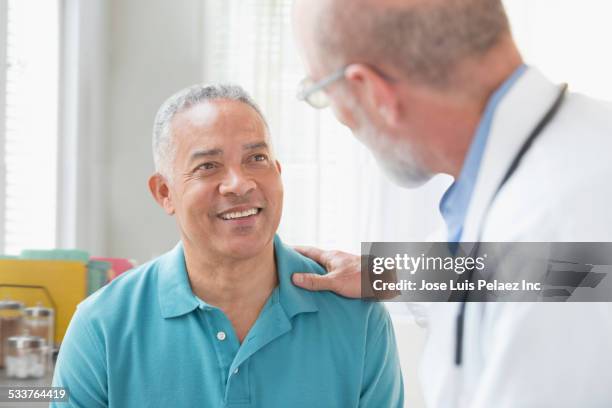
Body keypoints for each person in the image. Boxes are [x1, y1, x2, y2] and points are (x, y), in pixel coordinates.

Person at [291, 0, 612, 406]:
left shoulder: (552, 218)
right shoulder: (571, 160)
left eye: (321, 93)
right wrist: (384, 272)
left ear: (370, 91)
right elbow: (570, 274)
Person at [51, 84, 403, 407]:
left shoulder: (360, 316)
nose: (239, 184)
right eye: (208, 166)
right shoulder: (101, 327)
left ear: (278, 172)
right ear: (164, 192)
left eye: (256, 159)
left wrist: (401, 275)